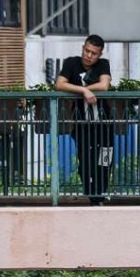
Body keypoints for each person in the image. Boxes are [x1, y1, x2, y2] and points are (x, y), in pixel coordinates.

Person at [54, 34, 113, 205]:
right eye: (87, 51)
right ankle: (92, 195)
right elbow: (59, 84)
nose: (89, 55)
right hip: (82, 124)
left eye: (94, 53)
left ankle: (99, 195)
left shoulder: (103, 64)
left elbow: (104, 85)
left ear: (100, 54)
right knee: (85, 162)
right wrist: (84, 92)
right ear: (83, 48)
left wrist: (83, 88)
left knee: (105, 161)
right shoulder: (72, 63)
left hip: (104, 124)